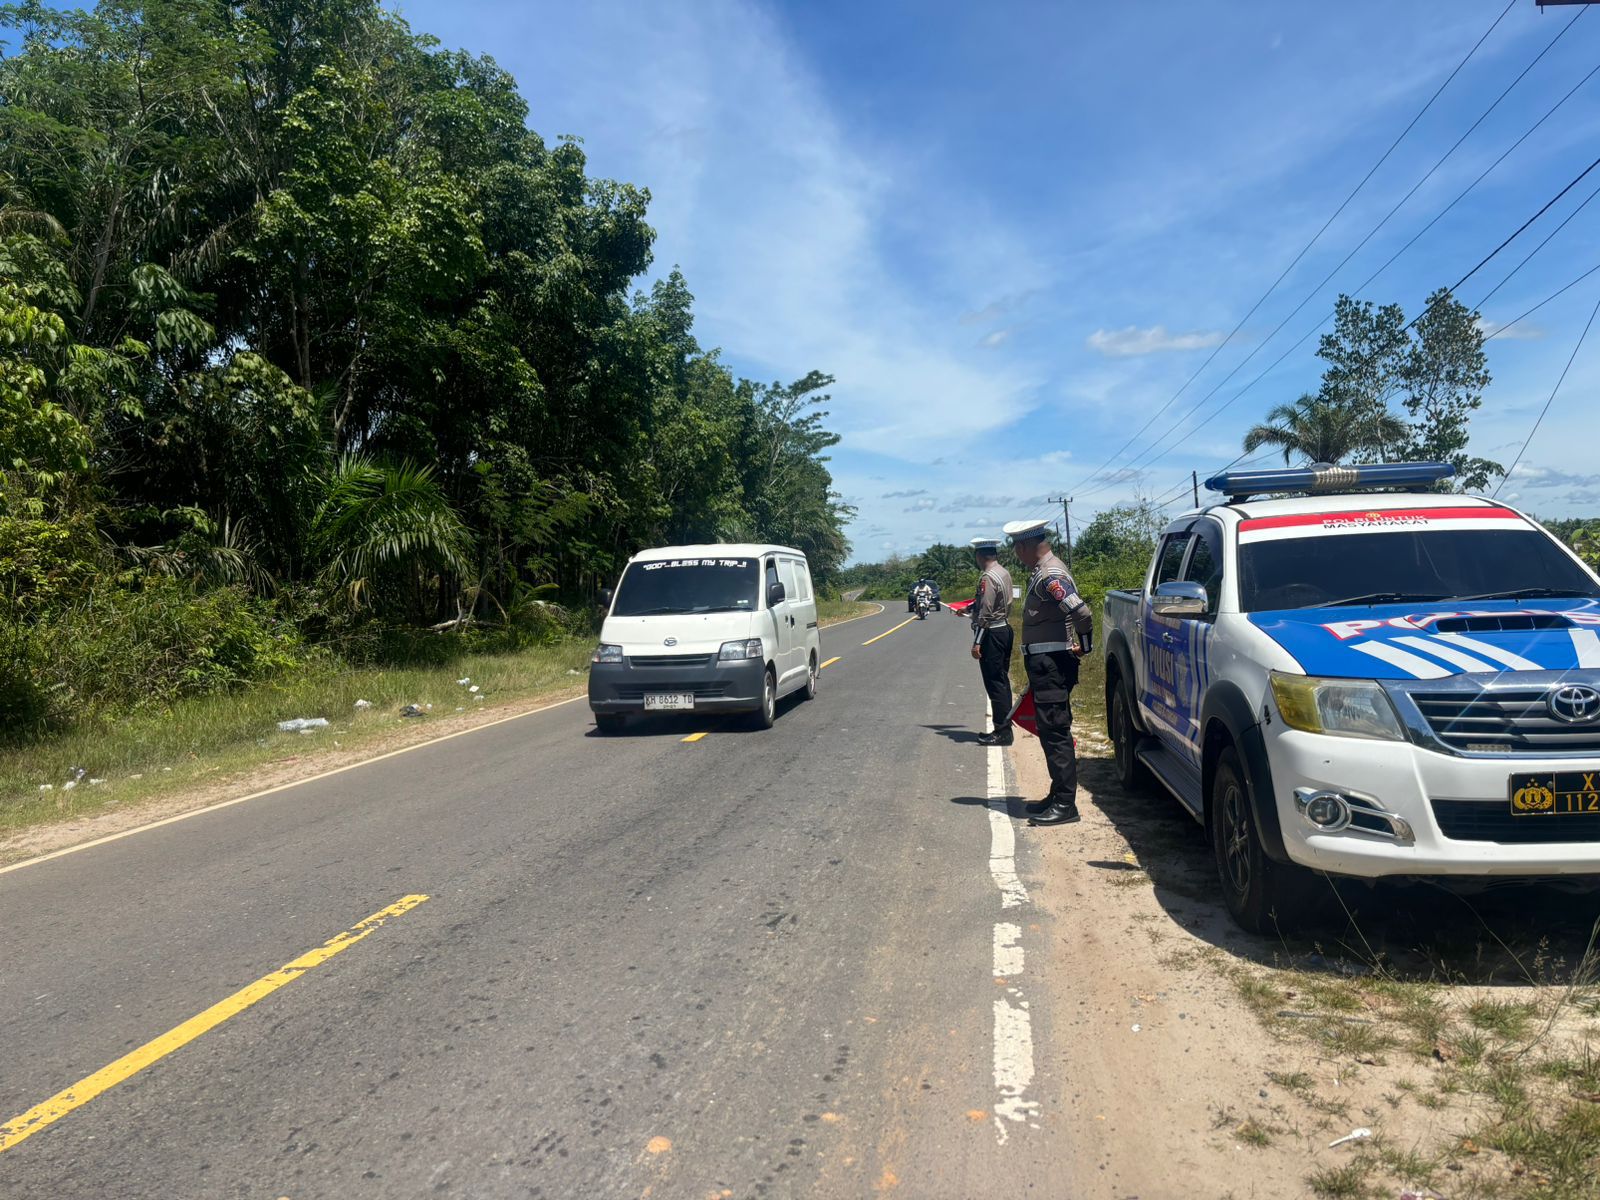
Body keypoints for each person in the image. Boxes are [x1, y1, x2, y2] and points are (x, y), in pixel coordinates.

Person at [1001, 517, 1093, 826]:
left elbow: (1080, 610)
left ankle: (1066, 804)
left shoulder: (1050, 575)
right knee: (1050, 729)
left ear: (1026, 546)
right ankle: (1058, 794)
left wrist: (1085, 643)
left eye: (1016, 548)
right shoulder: (1041, 572)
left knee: (1055, 732)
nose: (1016, 554)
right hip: (1045, 665)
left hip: (1052, 664)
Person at [967, 538, 1015, 746]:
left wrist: (977, 642)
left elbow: (986, 612)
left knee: (995, 684)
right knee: (1002, 682)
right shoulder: (1003, 572)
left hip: (991, 634)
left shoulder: (987, 577)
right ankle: (1004, 725)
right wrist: (969, 609)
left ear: (979, 556)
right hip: (1004, 628)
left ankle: (1002, 732)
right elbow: (993, 603)